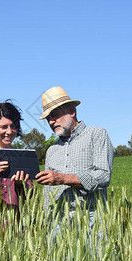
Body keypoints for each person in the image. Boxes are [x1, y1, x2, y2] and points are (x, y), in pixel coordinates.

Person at [35, 87, 115, 232]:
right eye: (48, 119)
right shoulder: (52, 150)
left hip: (91, 217)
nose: (51, 122)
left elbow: (103, 176)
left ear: (72, 111)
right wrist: (45, 221)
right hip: (57, 220)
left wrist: (63, 178)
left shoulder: (97, 135)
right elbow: (48, 192)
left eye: (55, 115)